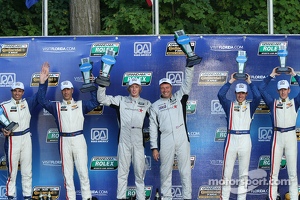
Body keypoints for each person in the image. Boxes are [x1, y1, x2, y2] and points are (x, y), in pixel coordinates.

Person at [37, 62, 99, 200]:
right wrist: (42, 83)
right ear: (62, 92)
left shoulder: (81, 105)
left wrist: (91, 85)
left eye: (68, 89)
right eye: (64, 90)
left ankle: (87, 198)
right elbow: (41, 100)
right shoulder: (56, 107)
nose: (66, 92)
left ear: (72, 90)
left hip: (79, 139)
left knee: (83, 172)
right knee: (67, 174)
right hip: (64, 141)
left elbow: (96, 102)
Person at [97, 77, 151, 200]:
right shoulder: (120, 100)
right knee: (122, 174)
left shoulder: (146, 103)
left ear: (140, 88)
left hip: (138, 143)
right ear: (128, 88)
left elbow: (158, 118)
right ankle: (120, 198)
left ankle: (141, 198)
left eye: (136, 86)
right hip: (124, 141)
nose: (134, 89)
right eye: (132, 87)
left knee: (140, 175)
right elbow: (101, 99)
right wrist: (102, 84)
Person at [149, 62, 194, 200]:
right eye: (162, 88)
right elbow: (152, 128)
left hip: (182, 137)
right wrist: (154, 147)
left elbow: (187, 83)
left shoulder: (179, 97)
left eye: (167, 87)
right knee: (165, 172)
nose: (165, 90)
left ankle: (187, 197)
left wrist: (189, 66)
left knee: (185, 171)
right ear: (160, 89)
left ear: (171, 87)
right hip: (166, 139)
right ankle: (166, 198)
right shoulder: (155, 106)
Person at [217, 73, 261, 200]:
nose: (240, 95)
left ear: (246, 94)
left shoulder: (250, 106)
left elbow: (258, 96)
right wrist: (231, 81)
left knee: (243, 174)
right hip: (231, 140)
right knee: (227, 174)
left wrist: (250, 82)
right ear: (235, 94)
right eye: (238, 93)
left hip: (245, 140)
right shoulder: (229, 105)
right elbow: (220, 95)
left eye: (243, 93)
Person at [259, 67, 300, 200]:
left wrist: (294, 75)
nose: (283, 92)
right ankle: (272, 197)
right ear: (278, 91)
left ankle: (294, 197)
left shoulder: (295, 102)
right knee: (273, 173)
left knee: (292, 173)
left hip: (290, 137)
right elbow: (261, 89)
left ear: (289, 90)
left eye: (285, 89)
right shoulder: (272, 103)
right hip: (277, 137)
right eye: (281, 90)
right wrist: (271, 75)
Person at [0, 76, 44, 199]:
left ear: (23, 92)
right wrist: (2, 129)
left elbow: (40, 96)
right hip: (12, 140)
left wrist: (42, 83)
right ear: (11, 92)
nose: (17, 93)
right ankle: (10, 197)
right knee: (12, 173)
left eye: (20, 91)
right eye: (15, 90)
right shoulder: (4, 106)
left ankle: (27, 197)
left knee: (27, 172)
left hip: (26, 138)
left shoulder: (28, 103)